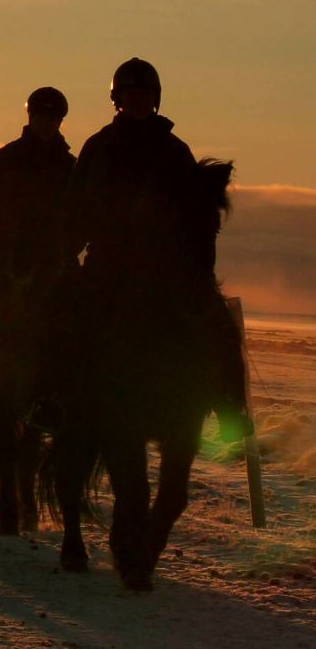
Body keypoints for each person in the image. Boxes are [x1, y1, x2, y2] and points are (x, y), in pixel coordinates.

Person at [69, 58, 252, 440]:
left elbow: (198, 211)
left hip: (166, 266)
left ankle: (230, 411)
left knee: (219, 326)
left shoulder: (174, 149)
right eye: (131, 94)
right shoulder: (98, 147)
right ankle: (55, 401)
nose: (138, 101)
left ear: (155, 99)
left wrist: (196, 265)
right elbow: (75, 205)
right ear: (117, 99)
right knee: (66, 320)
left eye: (145, 95)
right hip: (110, 262)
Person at [0, 87, 78, 283]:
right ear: (31, 118)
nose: (46, 125)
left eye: (52, 120)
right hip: (4, 261)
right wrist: (2, 250)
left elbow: (81, 215)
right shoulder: (4, 160)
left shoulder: (70, 166)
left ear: (60, 123)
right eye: (41, 118)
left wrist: (63, 252)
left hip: (56, 263)